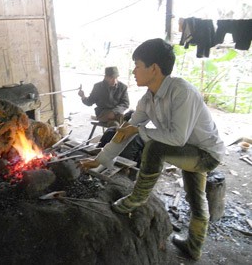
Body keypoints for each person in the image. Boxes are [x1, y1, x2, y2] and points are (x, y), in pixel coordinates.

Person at [79, 38, 225, 261]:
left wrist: (139, 132)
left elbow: (176, 137)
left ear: (154, 68)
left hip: (206, 153)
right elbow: (126, 130)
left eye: (137, 65)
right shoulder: (148, 99)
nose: (134, 71)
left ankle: (137, 198)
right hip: (187, 149)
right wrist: (100, 158)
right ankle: (193, 247)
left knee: (154, 146)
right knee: (195, 198)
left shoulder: (181, 91)